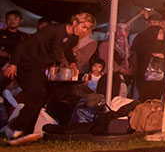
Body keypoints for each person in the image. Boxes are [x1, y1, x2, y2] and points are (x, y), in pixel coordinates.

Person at [3, 12, 96, 144]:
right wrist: (13, 63)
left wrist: (73, 62)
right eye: (84, 27)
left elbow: (68, 49)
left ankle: (25, 132)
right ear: (75, 22)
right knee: (36, 95)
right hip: (27, 64)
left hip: (41, 67)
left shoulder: (73, 38)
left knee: (41, 98)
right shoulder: (52, 30)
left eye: (87, 29)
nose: (84, 31)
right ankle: (17, 125)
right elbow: (25, 44)